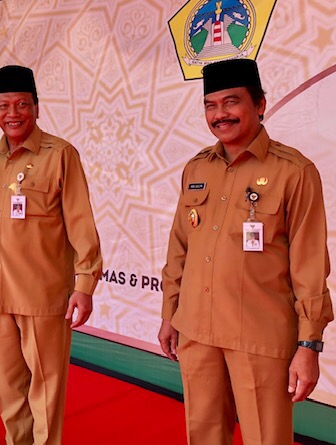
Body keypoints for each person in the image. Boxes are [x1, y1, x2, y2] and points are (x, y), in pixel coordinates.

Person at [159, 58, 334, 445]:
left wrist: (309, 345)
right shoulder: (196, 169)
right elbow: (179, 249)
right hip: (197, 332)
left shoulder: (294, 172)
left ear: (259, 104)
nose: (220, 115)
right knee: (203, 436)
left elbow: (309, 267)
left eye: (231, 102)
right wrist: (170, 314)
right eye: (211, 105)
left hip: (260, 337)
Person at [0, 65, 102, 445]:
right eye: (4, 106)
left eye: (21, 104)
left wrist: (84, 285)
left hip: (43, 296)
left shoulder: (60, 155)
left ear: (36, 107)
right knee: (10, 393)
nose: (12, 113)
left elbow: (82, 224)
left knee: (45, 395)